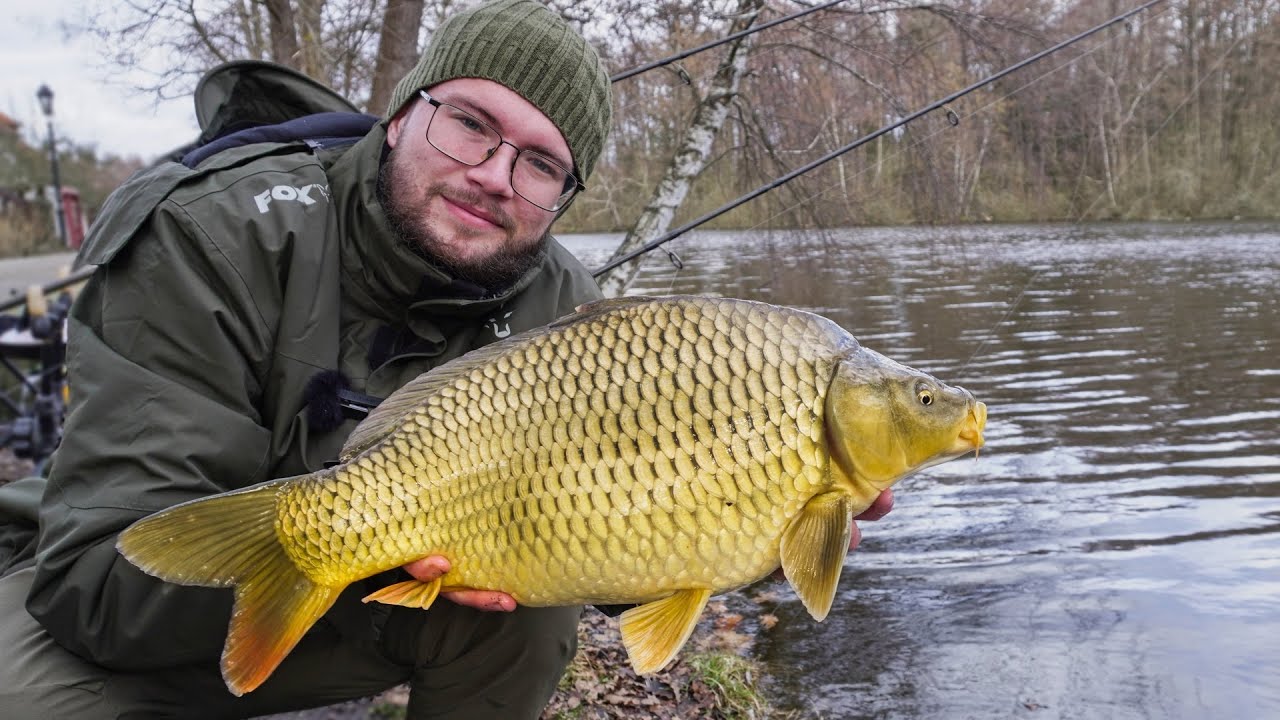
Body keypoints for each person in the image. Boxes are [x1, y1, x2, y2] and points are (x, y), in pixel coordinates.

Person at [0, 0, 892, 716]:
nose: (495, 175)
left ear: (564, 197)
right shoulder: (212, 233)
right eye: (470, 124)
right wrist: (368, 545)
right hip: (93, 586)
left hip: (336, 592)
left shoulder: (558, 303)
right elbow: (99, 590)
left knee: (527, 622)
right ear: (397, 118)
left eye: (541, 165)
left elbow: (617, 526)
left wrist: (757, 527)